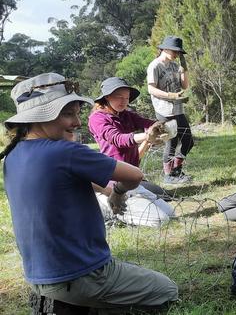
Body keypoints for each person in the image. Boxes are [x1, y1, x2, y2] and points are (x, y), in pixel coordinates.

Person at [1, 73, 178, 313]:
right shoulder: (65, 151)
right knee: (167, 291)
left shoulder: (13, 156)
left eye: (76, 113)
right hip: (82, 275)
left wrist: (105, 188)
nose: (76, 122)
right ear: (39, 117)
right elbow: (134, 175)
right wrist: (117, 192)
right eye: (68, 114)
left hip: (40, 277)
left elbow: (63, 179)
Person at [89, 77, 175, 227]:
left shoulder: (126, 115)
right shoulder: (97, 118)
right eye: (119, 97)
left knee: (171, 215)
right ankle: (106, 206)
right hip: (112, 182)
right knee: (159, 221)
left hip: (131, 182)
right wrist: (147, 136)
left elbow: (147, 123)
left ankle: (119, 208)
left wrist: (160, 128)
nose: (124, 101)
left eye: (127, 98)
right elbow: (118, 139)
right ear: (107, 97)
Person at [147, 35, 194, 184]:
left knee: (188, 140)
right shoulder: (155, 65)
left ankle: (176, 170)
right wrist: (170, 95)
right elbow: (151, 89)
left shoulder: (175, 66)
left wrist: (184, 67)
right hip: (164, 110)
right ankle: (169, 176)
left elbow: (185, 86)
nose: (177, 54)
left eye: (179, 52)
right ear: (164, 49)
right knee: (172, 141)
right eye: (175, 51)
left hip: (178, 108)